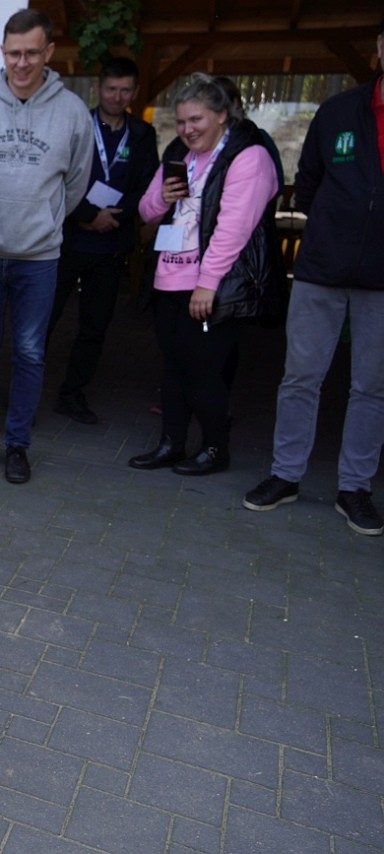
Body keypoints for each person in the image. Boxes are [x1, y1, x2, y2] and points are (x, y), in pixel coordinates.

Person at [242, 18, 384, 537]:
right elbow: (308, 186)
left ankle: (355, 488)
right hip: (322, 271)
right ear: (378, 46)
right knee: (301, 377)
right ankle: (286, 475)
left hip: (382, 283)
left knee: (374, 387)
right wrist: (331, 235)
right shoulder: (339, 111)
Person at [0, 8, 92, 483]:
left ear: (49, 52)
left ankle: (17, 444)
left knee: (31, 352)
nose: (21, 62)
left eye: (32, 52)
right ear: (2, 52)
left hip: (39, 256)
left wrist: (45, 216)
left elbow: (77, 181)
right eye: (13, 53)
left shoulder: (72, 112)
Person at [128, 72, 284, 476]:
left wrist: (207, 282)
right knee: (173, 367)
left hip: (211, 286)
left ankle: (216, 449)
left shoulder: (248, 156)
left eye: (196, 120)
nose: (187, 129)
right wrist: (163, 198)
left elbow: (235, 227)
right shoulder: (178, 153)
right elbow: (145, 210)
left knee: (203, 371)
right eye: (181, 121)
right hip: (169, 278)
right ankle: (171, 444)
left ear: (220, 115)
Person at [47, 56, 158, 425]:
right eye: (111, 88)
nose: (117, 96)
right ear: (98, 88)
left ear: (136, 92)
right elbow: (56, 176)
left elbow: (146, 185)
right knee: (44, 320)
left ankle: (72, 393)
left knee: (95, 326)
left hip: (110, 245)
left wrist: (116, 217)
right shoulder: (77, 124)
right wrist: (87, 216)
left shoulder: (142, 134)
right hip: (67, 240)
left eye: (126, 90)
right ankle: (24, 392)